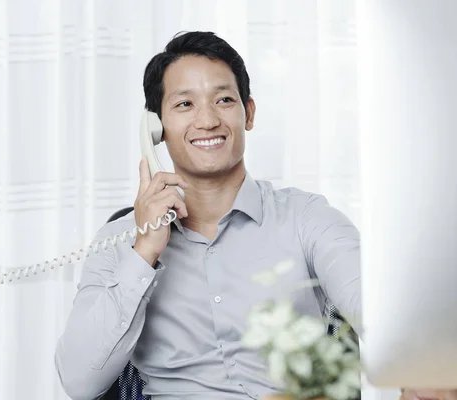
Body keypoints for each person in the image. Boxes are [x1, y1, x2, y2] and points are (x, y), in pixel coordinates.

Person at [54, 31, 455, 400]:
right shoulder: (121, 240)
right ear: (156, 126)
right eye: (184, 104)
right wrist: (143, 253)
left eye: (224, 100)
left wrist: (422, 367)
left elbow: (382, 312)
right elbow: (78, 381)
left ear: (248, 113)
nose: (208, 119)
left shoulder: (307, 217)